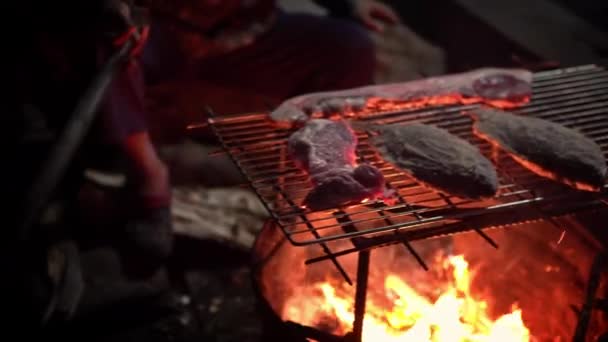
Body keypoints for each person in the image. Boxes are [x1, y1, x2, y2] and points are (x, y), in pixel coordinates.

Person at [140, 0, 401, 102]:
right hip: (154, 31)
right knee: (112, 52)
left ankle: (315, 155)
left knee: (349, 46)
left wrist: (349, 3)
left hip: (249, 35)